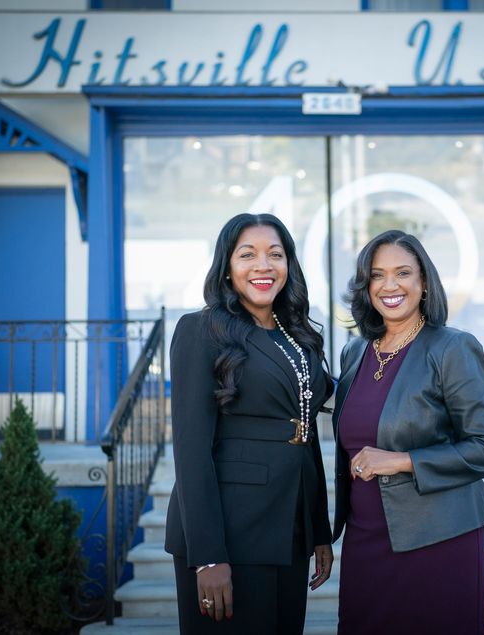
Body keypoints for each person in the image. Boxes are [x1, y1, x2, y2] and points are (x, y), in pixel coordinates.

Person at [333, 229, 484, 635]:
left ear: (424, 282)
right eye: (377, 275)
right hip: (365, 536)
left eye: (403, 273)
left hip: (438, 537)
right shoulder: (355, 351)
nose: (390, 286)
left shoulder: (451, 348)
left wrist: (401, 461)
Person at [165, 213, 334, 634]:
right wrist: (207, 555)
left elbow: (304, 430)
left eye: (275, 255)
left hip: (290, 527)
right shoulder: (200, 329)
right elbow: (190, 450)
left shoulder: (296, 333)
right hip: (230, 533)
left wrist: (319, 529)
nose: (264, 266)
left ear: (289, 265)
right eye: (248, 255)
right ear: (227, 266)